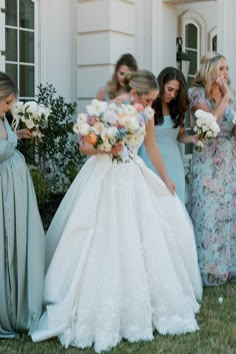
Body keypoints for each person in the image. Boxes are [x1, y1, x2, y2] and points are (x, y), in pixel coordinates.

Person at [31, 70, 202, 353]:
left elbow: (152, 148)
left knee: (139, 240)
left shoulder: (146, 115)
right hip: (102, 177)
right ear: (133, 94)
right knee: (95, 235)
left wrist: (165, 177)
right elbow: (84, 145)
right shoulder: (108, 110)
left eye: (153, 100)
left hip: (132, 178)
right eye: (147, 99)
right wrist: (105, 149)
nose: (150, 106)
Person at [0, 72, 45, 338]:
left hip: (17, 189)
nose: (9, 108)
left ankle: (21, 305)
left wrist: (17, 133)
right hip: (4, 193)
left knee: (22, 242)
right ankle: (8, 307)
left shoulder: (2, 118)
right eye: (6, 103)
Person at [187, 52, 236, 286]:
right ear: (211, 70)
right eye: (222, 69)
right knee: (206, 212)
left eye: (227, 69)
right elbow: (209, 125)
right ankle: (205, 268)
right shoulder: (197, 93)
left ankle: (226, 266)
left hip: (228, 161)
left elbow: (230, 127)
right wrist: (226, 97)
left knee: (226, 213)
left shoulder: (229, 94)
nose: (225, 74)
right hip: (206, 160)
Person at [139, 67, 197, 203]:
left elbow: (180, 135)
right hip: (150, 158)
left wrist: (192, 138)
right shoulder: (149, 105)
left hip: (173, 161)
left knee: (174, 201)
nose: (172, 95)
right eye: (170, 89)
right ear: (161, 84)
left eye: (176, 92)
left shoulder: (176, 108)